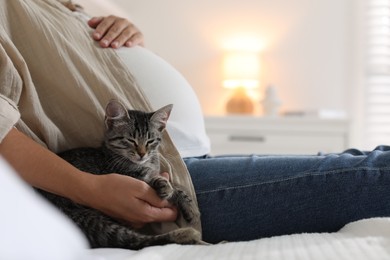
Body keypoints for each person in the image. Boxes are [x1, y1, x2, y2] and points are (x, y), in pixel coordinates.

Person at [1, 0, 390, 245]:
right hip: (154, 179)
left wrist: (127, 35)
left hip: (181, 155)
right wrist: (90, 189)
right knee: (373, 172)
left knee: (366, 161)